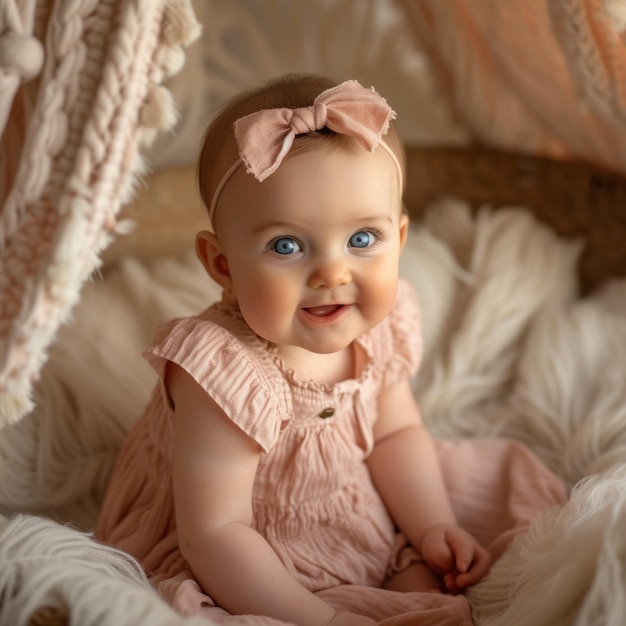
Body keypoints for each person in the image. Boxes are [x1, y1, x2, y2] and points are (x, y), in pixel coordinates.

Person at [98, 74, 567, 626]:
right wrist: (320, 619)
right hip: (236, 550)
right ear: (221, 265)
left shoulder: (381, 327)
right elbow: (214, 534)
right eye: (287, 245)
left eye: (363, 239)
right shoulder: (221, 372)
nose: (332, 273)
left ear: (401, 238)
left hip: (346, 509)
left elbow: (394, 434)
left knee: (442, 585)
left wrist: (432, 526)